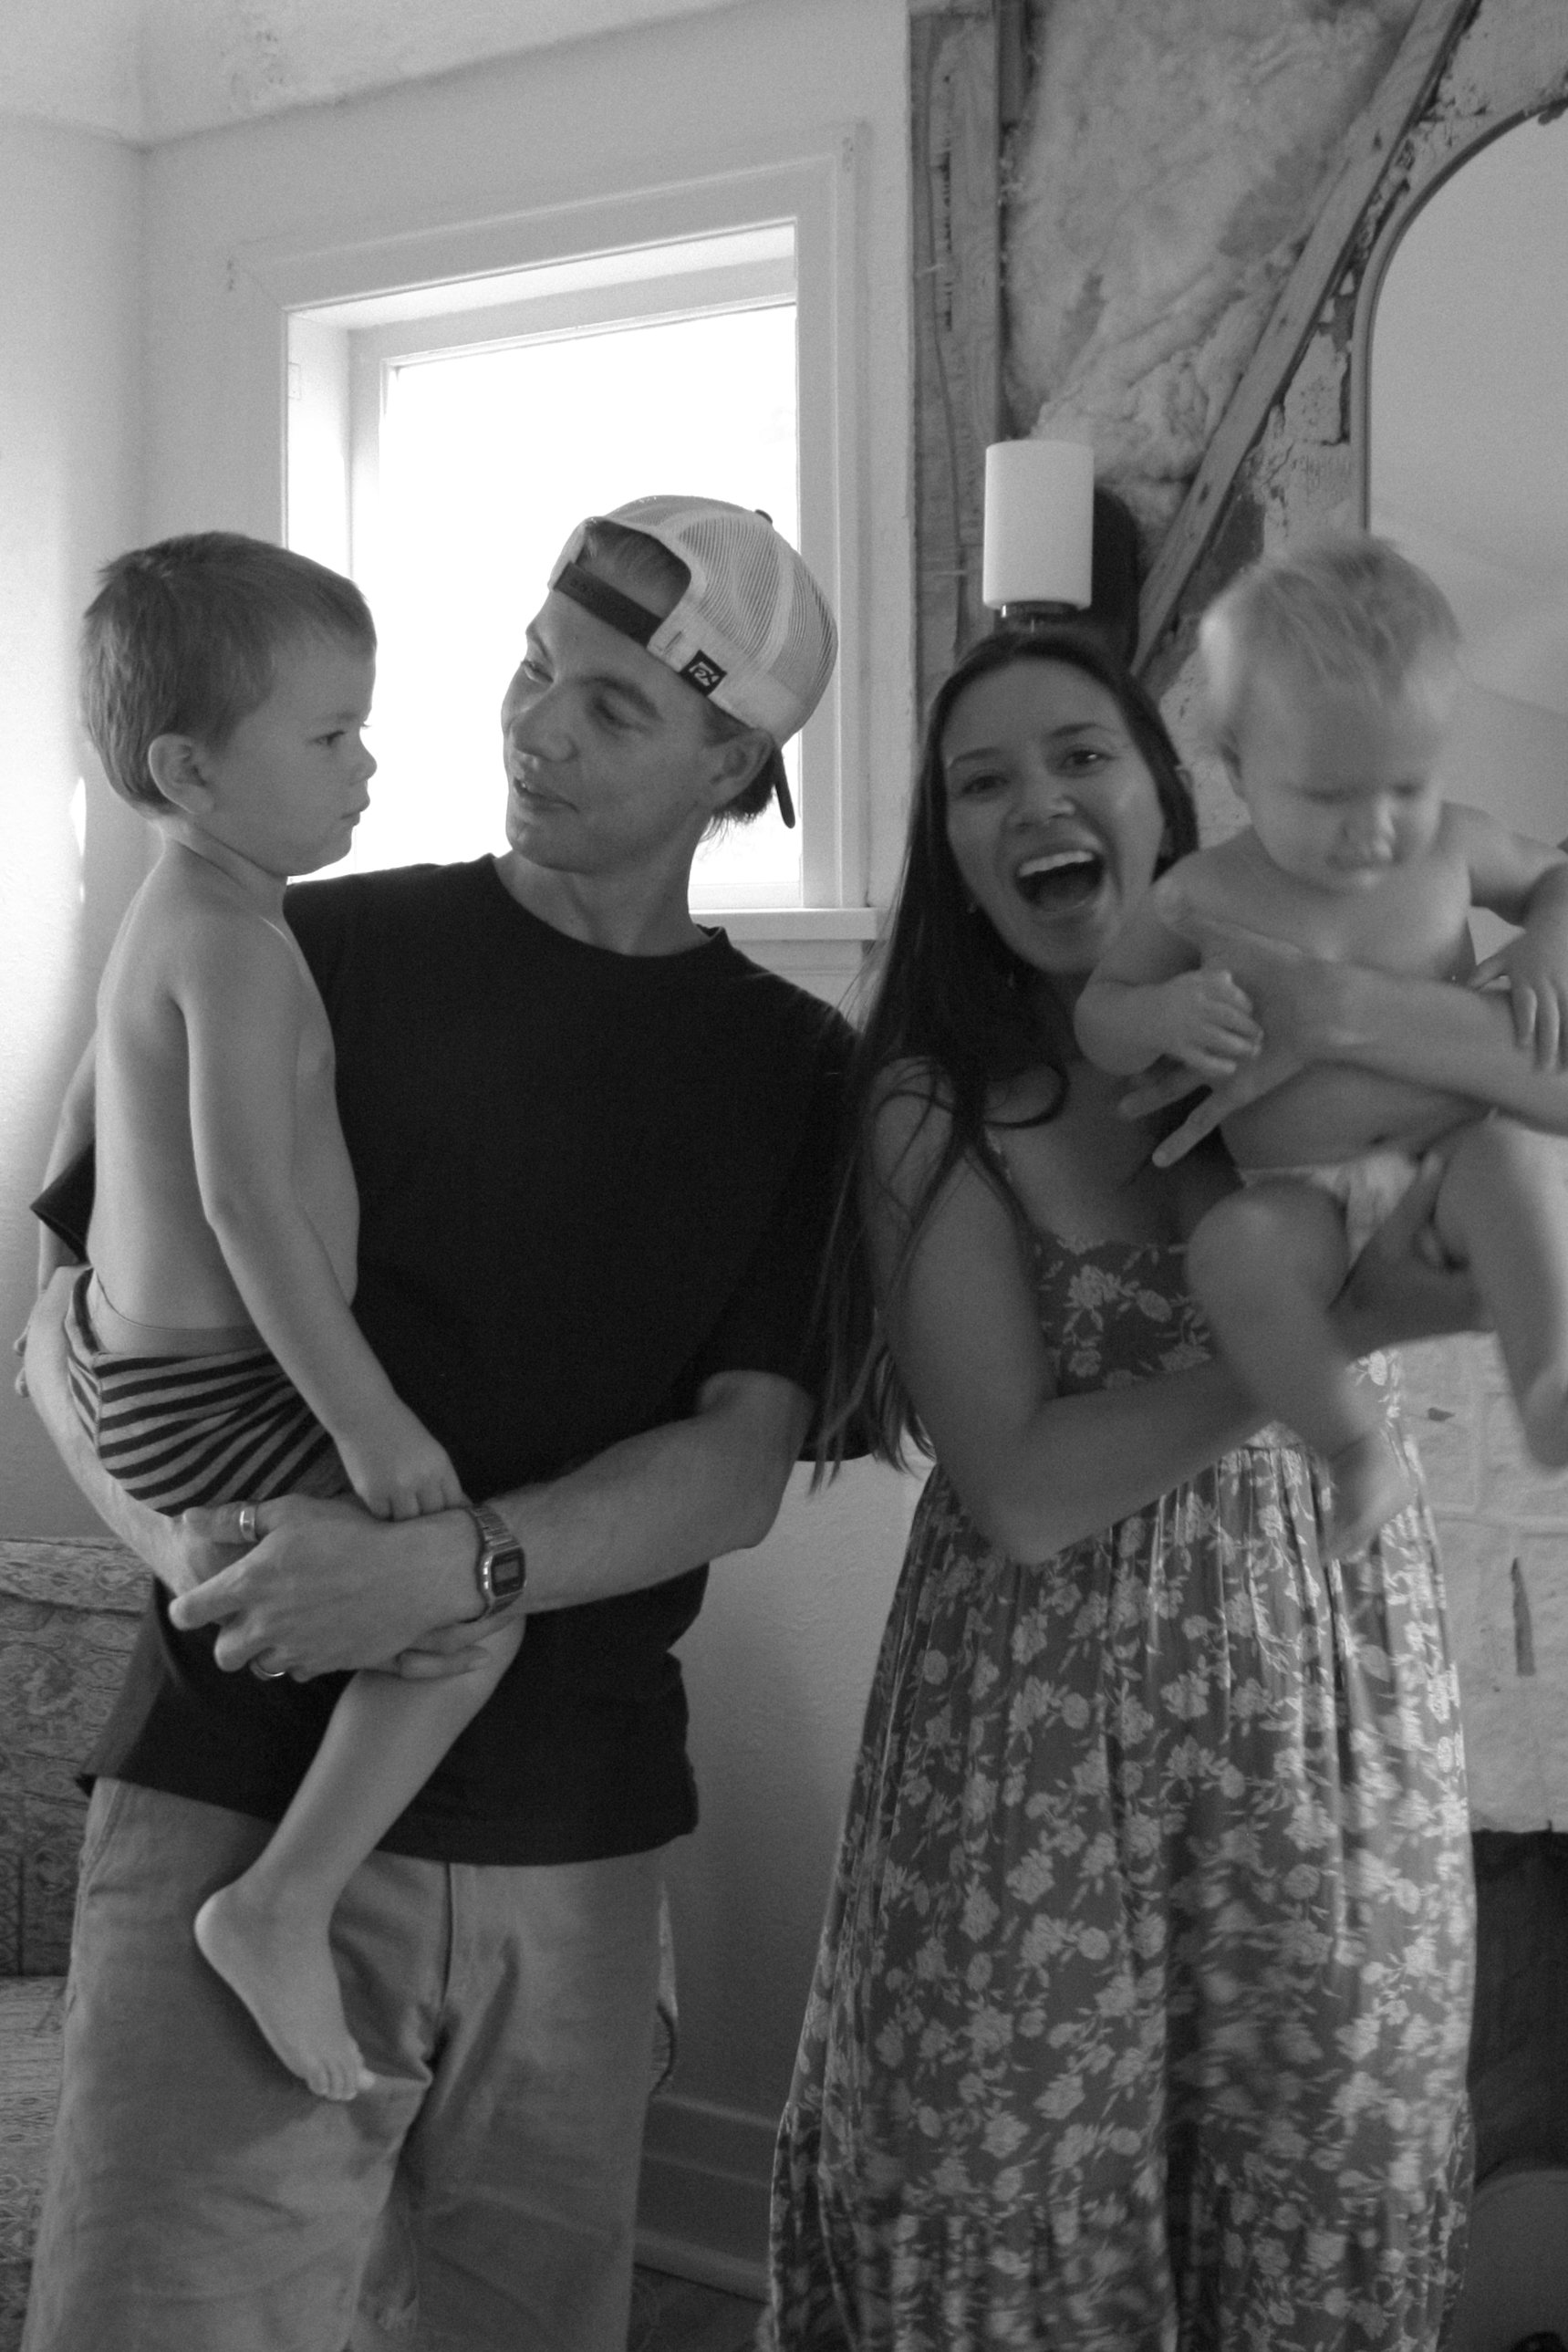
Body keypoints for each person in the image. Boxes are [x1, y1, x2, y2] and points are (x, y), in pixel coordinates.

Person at [22, 495, 848, 2352]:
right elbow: (64, 1337)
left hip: (575, 1842)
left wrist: (440, 1564)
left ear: (736, 758)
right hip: (234, 1800)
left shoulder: (795, 1075)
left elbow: (733, 1467)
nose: (534, 727)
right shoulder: (283, 932)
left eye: (616, 709)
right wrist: (209, 1558)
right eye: (533, 670)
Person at [766, 621, 1568, 2352]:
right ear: (954, 859)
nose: (1036, 801)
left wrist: (1429, 999)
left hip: (1323, 1704)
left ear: (1166, 798)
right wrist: (1341, 1326)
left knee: (1314, 2171)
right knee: (999, 2190)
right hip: (1029, 1761)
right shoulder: (936, 1107)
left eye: (1078, 755)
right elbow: (1026, 1489)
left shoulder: (1330, 1013)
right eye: (980, 782)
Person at [42, 533, 536, 2106]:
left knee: (442, 1590)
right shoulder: (232, 945)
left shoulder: (196, 911)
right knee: (468, 1613)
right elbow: (252, 1214)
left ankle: (285, 1894)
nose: (367, 762)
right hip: (206, 1394)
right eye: (327, 737)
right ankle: (279, 1901)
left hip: (167, 1374)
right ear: (189, 769)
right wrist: (370, 1422)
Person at [1076, 535, 1568, 1555]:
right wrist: (1164, 1015)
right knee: (1232, 1252)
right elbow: (1103, 1010)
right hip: (1301, 1188)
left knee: (1516, 1164)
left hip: (1446, 1162)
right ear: (1239, 772)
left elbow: (1557, 876)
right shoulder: (1201, 893)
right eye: (1330, 797)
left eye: (1406, 785)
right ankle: (1354, 1447)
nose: (1376, 829)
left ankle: (1548, 1378)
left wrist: (1547, 948)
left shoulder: (1453, 847)